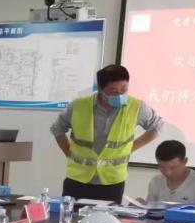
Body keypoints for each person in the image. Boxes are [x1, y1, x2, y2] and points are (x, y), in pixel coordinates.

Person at [52, 64, 163, 203]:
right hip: (78, 179)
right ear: (100, 89)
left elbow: (156, 126)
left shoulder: (136, 107)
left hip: (112, 181)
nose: (119, 95)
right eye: (113, 91)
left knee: (108, 216)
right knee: (72, 215)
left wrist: (131, 147)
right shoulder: (79, 106)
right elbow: (57, 129)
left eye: (124, 89)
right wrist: (69, 153)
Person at [144, 140, 195, 206]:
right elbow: (149, 209)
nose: (168, 173)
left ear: (185, 161)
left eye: (173, 168)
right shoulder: (155, 181)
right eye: (162, 167)